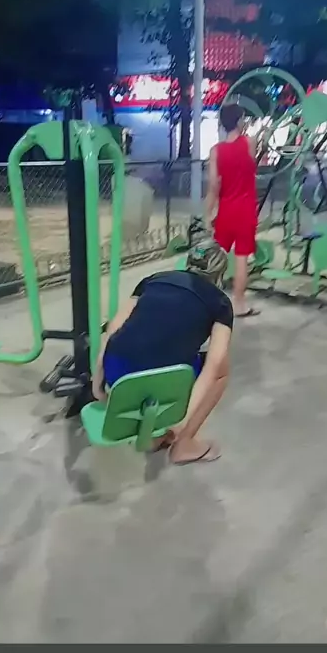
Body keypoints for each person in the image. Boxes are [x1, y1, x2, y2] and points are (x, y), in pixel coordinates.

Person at [91, 239, 232, 465]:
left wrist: (97, 377)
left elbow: (114, 327)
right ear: (220, 273)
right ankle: (184, 445)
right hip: (163, 381)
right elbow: (215, 365)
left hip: (117, 374)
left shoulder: (154, 279)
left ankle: (154, 435)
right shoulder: (220, 302)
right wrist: (183, 417)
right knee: (222, 370)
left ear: (188, 261)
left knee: (149, 349)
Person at [206, 103, 260, 317]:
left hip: (225, 211)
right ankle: (239, 304)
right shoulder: (249, 143)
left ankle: (208, 302)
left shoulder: (215, 151)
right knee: (241, 259)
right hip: (246, 211)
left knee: (216, 259)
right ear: (239, 121)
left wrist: (208, 214)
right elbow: (251, 167)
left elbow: (213, 185)